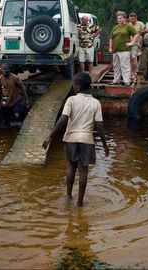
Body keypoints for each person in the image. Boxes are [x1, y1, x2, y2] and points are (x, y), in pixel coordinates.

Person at [42, 72, 110, 207]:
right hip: (86, 139)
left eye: (73, 84)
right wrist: (105, 144)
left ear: (78, 87)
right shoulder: (95, 103)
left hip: (71, 138)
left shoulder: (71, 100)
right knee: (83, 170)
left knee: (71, 167)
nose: (73, 86)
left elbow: (63, 119)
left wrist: (50, 135)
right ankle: (80, 203)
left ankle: (68, 196)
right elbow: (99, 126)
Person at [108, 11, 138, 86]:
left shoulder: (128, 26)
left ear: (124, 18)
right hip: (115, 49)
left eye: (121, 18)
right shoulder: (115, 27)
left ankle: (126, 81)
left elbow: (136, 34)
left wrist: (132, 43)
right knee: (116, 66)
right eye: (118, 18)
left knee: (125, 66)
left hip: (124, 50)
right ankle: (116, 80)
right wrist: (110, 47)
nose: (119, 20)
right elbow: (111, 38)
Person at [126, 12, 145, 77]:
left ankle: (134, 73)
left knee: (134, 57)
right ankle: (131, 72)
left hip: (137, 43)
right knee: (129, 58)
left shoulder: (140, 24)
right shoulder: (128, 24)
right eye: (130, 19)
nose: (131, 21)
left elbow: (145, 32)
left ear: (136, 18)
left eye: (133, 19)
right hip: (129, 43)